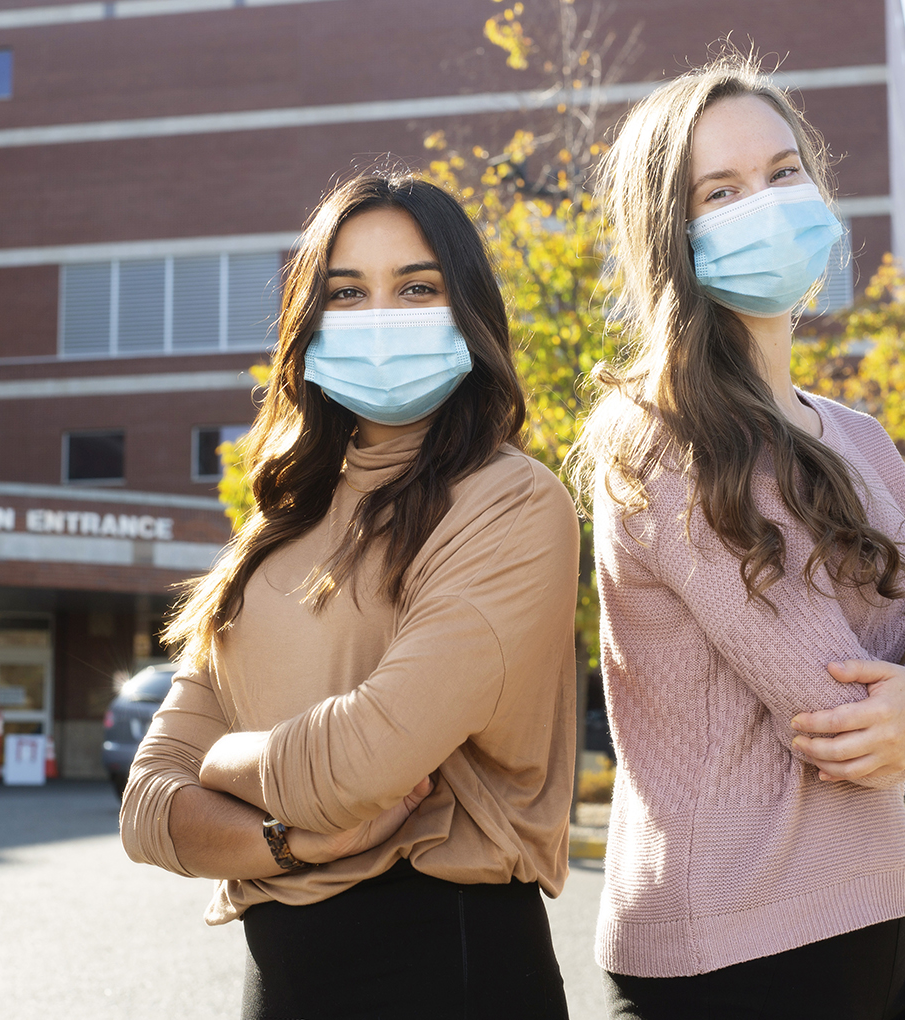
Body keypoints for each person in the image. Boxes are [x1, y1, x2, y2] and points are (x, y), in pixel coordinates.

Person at [568, 57, 905, 1018]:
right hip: (728, 955)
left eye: (783, 174)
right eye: (721, 191)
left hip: (867, 925)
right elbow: (842, 715)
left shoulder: (857, 435)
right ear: (673, 234)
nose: (765, 206)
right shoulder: (657, 438)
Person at [120, 172, 580, 1019]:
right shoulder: (279, 527)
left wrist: (223, 763)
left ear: (467, 311)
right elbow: (147, 806)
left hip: (448, 962)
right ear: (312, 321)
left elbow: (364, 765)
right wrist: (282, 840)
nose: (382, 317)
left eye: (417, 287)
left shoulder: (512, 503)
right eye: (347, 292)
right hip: (282, 978)